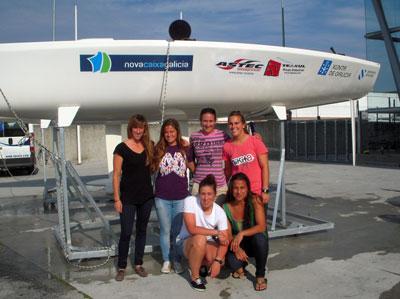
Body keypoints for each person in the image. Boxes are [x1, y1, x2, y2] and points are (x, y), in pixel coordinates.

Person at [113, 114, 154, 281]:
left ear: (145, 129)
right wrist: (117, 199)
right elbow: (116, 175)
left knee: (142, 231)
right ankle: (121, 266)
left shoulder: (149, 146)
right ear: (131, 128)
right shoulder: (121, 148)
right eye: (135, 127)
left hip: (146, 197)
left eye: (141, 127)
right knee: (126, 232)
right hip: (128, 198)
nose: (138, 130)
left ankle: (138, 263)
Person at [176, 174, 229, 292]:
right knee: (200, 238)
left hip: (205, 243)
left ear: (215, 195)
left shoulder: (219, 212)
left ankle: (202, 265)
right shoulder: (190, 201)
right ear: (198, 194)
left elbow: (225, 239)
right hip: (185, 242)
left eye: (209, 194)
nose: (205, 198)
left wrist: (217, 261)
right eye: (203, 194)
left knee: (218, 258)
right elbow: (192, 229)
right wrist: (216, 232)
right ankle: (195, 277)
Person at [153, 118, 190, 274]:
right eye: (166, 132)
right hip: (162, 197)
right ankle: (167, 260)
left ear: (177, 132)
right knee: (165, 230)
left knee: (177, 232)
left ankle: (176, 259)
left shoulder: (185, 147)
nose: (169, 134)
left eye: (172, 131)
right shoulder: (158, 149)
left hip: (181, 196)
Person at [223, 172, 268, 291]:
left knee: (260, 238)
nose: (239, 192)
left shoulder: (255, 200)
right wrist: (237, 248)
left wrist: (241, 233)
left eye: (242, 188)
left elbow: (262, 226)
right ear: (231, 189)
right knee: (234, 264)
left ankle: (260, 275)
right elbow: (227, 234)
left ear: (248, 188)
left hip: (254, 242)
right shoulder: (226, 207)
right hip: (239, 244)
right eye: (235, 188)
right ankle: (241, 266)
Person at [223, 111, 270, 204]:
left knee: (258, 219)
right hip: (238, 194)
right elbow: (228, 171)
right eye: (231, 124)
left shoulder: (255, 142)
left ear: (243, 125)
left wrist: (265, 190)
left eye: (237, 123)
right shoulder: (227, 146)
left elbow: (265, 167)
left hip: (256, 192)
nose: (233, 126)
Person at [187, 108, 229, 204]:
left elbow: (235, 145)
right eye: (205, 121)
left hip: (219, 186)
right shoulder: (194, 137)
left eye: (211, 121)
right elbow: (190, 159)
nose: (208, 124)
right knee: (199, 217)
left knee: (217, 216)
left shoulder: (223, 135)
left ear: (215, 121)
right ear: (200, 121)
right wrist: (197, 172)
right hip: (199, 185)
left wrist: (252, 137)